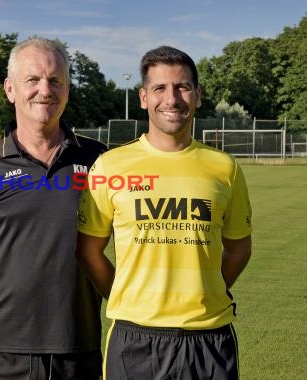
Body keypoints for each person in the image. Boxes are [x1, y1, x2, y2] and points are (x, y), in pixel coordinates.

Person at [76, 45, 253, 380]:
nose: (172, 99)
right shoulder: (110, 166)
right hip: (135, 337)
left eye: (183, 87)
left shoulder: (224, 168)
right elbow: (88, 250)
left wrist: (208, 287)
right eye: (160, 88)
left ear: (198, 95)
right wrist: (123, 294)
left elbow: (239, 248)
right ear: (143, 97)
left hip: (209, 335)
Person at [0, 37, 107, 379]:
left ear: (67, 89)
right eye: (32, 80)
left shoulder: (100, 160)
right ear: (10, 89)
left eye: (55, 80)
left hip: (78, 349)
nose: (44, 89)